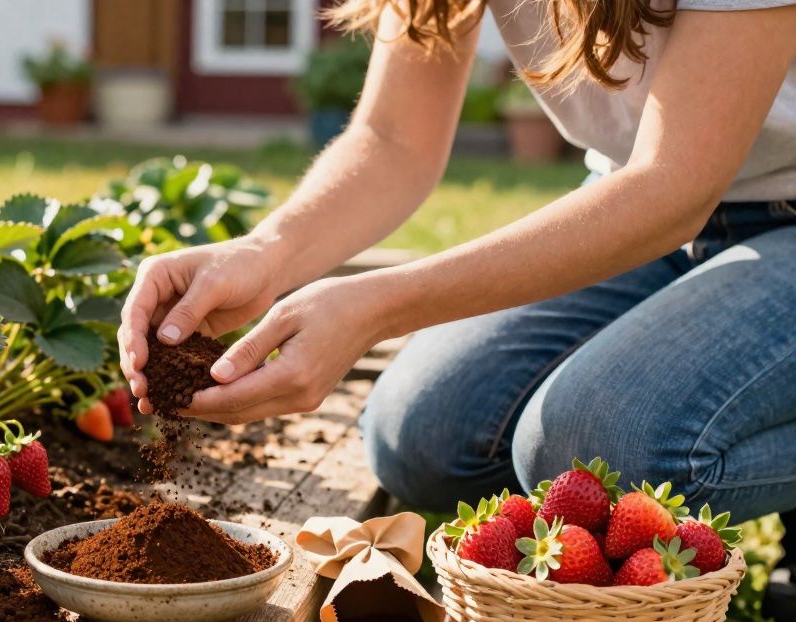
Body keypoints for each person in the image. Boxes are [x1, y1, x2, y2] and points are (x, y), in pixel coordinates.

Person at [118, 0, 796, 524]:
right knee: (422, 434)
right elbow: (393, 138)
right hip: (634, 202)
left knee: (596, 446)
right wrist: (263, 254)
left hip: (743, 207)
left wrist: (376, 307)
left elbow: (671, 187)